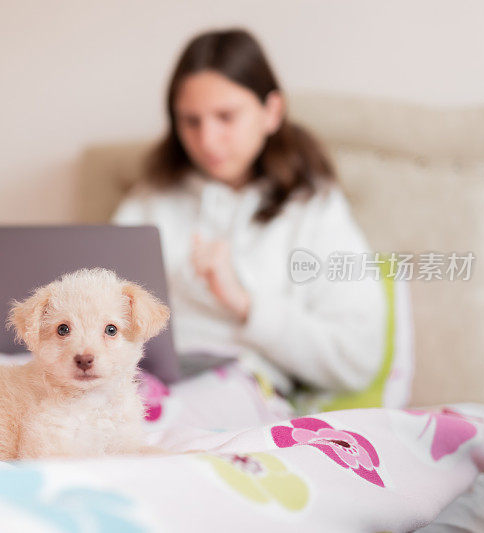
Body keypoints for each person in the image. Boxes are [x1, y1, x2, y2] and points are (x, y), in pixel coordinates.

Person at [112, 28, 386, 398]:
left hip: (236, 390)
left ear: (271, 112)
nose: (207, 140)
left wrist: (244, 304)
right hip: (135, 379)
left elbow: (356, 358)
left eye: (226, 117)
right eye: (191, 121)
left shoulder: (313, 210)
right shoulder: (150, 200)